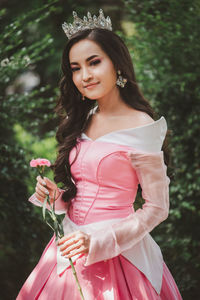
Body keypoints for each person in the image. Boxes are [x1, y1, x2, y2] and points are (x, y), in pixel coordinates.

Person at [17, 9, 182, 300]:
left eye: (94, 62)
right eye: (76, 68)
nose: (85, 75)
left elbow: (157, 208)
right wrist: (57, 196)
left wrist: (96, 241)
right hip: (66, 246)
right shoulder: (84, 116)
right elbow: (86, 187)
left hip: (117, 253)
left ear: (117, 64)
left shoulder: (142, 126)